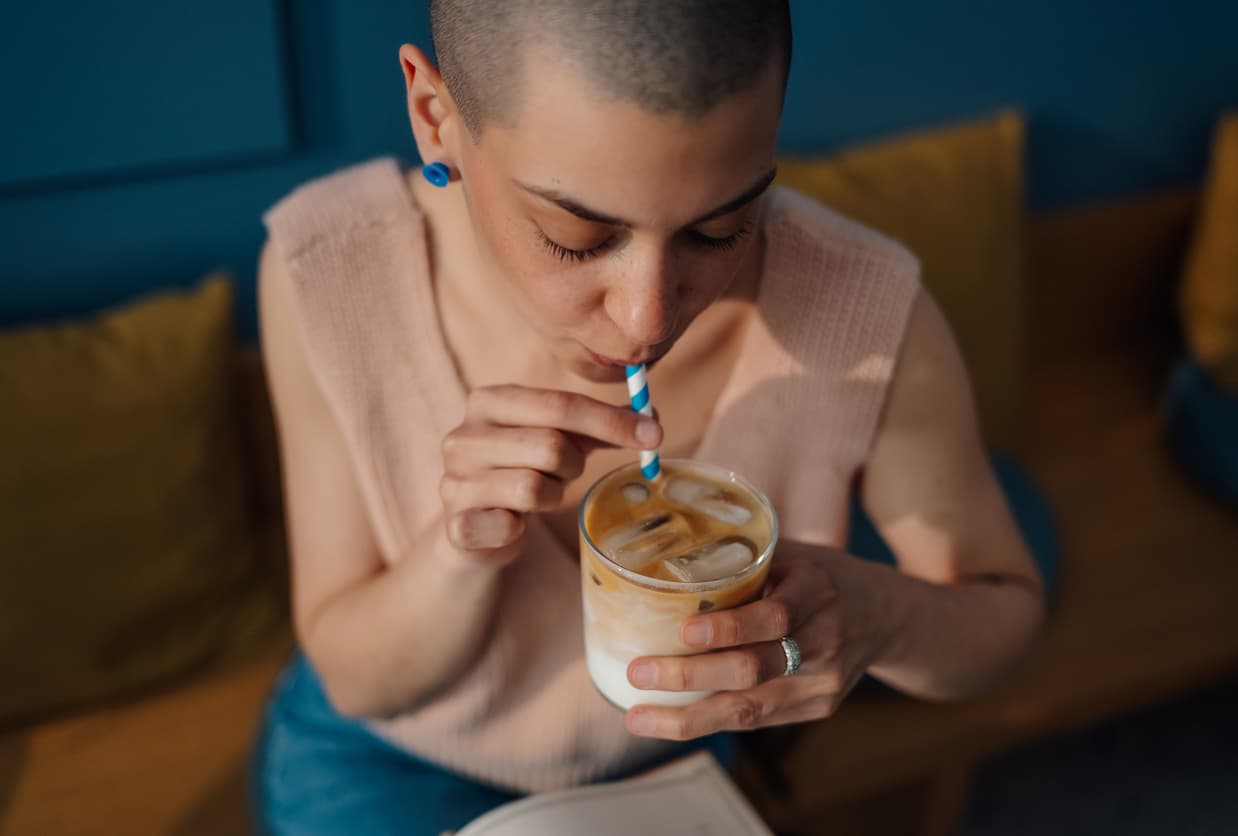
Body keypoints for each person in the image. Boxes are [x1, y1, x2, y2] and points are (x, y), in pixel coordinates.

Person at [250, 1, 1046, 833]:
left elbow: (1009, 619)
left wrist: (887, 618)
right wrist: (458, 548)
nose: (646, 321)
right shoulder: (330, 269)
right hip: (384, 761)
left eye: (720, 227)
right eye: (575, 236)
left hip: (668, 760)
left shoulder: (869, 315)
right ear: (435, 116)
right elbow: (359, 683)